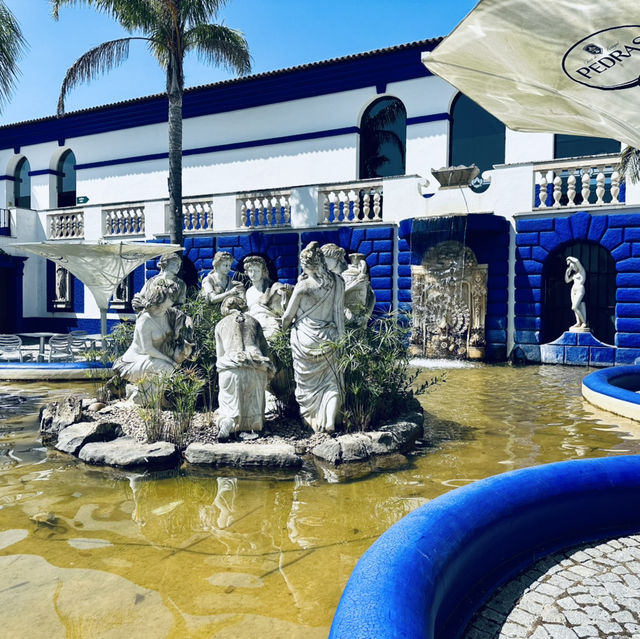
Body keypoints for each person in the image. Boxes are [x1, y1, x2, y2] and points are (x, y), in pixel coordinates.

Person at [281, 241, 345, 433]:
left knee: (307, 388)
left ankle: (312, 422)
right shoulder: (338, 282)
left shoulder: (303, 286)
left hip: (305, 340)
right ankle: (330, 421)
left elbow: (287, 317)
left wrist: (283, 320)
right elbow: (338, 315)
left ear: (304, 264)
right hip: (330, 338)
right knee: (331, 383)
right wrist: (342, 341)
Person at [114, 279, 194, 404]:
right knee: (165, 367)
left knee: (181, 355)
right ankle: (145, 400)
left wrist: (189, 324)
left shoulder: (167, 313)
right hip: (133, 362)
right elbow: (148, 349)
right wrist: (170, 361)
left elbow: (184, 317)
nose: (173, 300)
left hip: (154, 358)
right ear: (160, 299)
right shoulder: (145, 319)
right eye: (171, 297)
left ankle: (156, 398)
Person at [215, 296, 275, 440]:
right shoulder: (255, 322)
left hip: (231, 365)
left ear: (225, 310)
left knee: (229, 406)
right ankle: (254, 428)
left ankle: (228, 423)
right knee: (254, 409)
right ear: (245, 308)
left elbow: (220, 355)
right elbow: (266, 351)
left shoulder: (220, 324)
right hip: (256, 364)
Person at [243, 255, 292, 338]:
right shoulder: (248, 292)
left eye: (256, 271)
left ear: (263, 272)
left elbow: (283, 309)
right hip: (253, 325)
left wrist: (287, 293)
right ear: (246, 272)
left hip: (269, 324)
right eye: (250, 271)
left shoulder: (273, 288)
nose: (253, 274)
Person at [565, 256, 588, 330]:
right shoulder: (574, 274)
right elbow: (567, 281)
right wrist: (567, 271)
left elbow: (577, 261)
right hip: (573, 290)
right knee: (576, 307)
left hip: (580, 289)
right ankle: (578, 322)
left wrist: (569, 258)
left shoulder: (582, 271)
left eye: (573, 267)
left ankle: (584, 322)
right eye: (572, 268)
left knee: (574, 307)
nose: (573, 269)